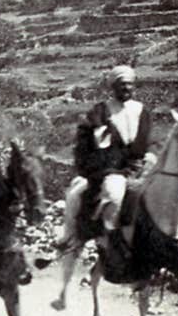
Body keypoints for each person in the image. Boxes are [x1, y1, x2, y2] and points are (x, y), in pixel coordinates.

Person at [56, 65, 156, 251]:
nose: (126, 88)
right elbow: (93, 141)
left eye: (129, 85)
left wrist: (147, 158)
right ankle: (109, 242)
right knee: (114, 192)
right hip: (114, 168)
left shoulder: (142, 111)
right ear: (113, 87)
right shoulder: (102, 111)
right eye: (122, 85)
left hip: (140, 165)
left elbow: (148, 141)